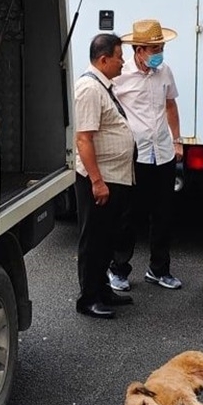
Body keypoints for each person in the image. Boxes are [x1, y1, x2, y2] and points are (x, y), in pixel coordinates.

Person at [107, 19, 184, 292]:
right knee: (128, 214)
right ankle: (118, 269)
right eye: (153, 49)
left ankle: (159, 269)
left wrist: (177, 140)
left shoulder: (165, 72)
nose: (158, 53)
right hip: (134, 153)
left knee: (163, 214)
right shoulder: (120, 75)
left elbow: (171, 105)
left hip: (162, 151)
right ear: (138, 50)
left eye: (161, 47)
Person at [74, 33, 136, 319]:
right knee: (95, 240)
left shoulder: (103, 86)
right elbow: (84, 139)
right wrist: (97, 181)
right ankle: (89, 298)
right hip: (100, 179)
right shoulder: (89, 88)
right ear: (103, 59)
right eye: (119, 57)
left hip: (115, 176)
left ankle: (102, 289)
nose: (123, 63)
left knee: (108, 238)